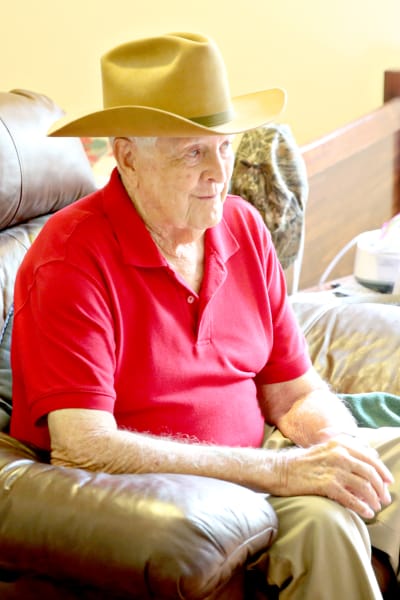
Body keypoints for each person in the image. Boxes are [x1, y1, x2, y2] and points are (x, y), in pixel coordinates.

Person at [9, 32, 400, 599]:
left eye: (223, 146)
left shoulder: (242, 225)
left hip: (262, 457)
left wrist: (338, 448)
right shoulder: (69, 260)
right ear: (127, 157)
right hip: (175, 495)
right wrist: (288, 473)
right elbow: (83, 446)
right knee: (325, 519)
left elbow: (292, 392)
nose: (218, 171)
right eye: (192, 152)